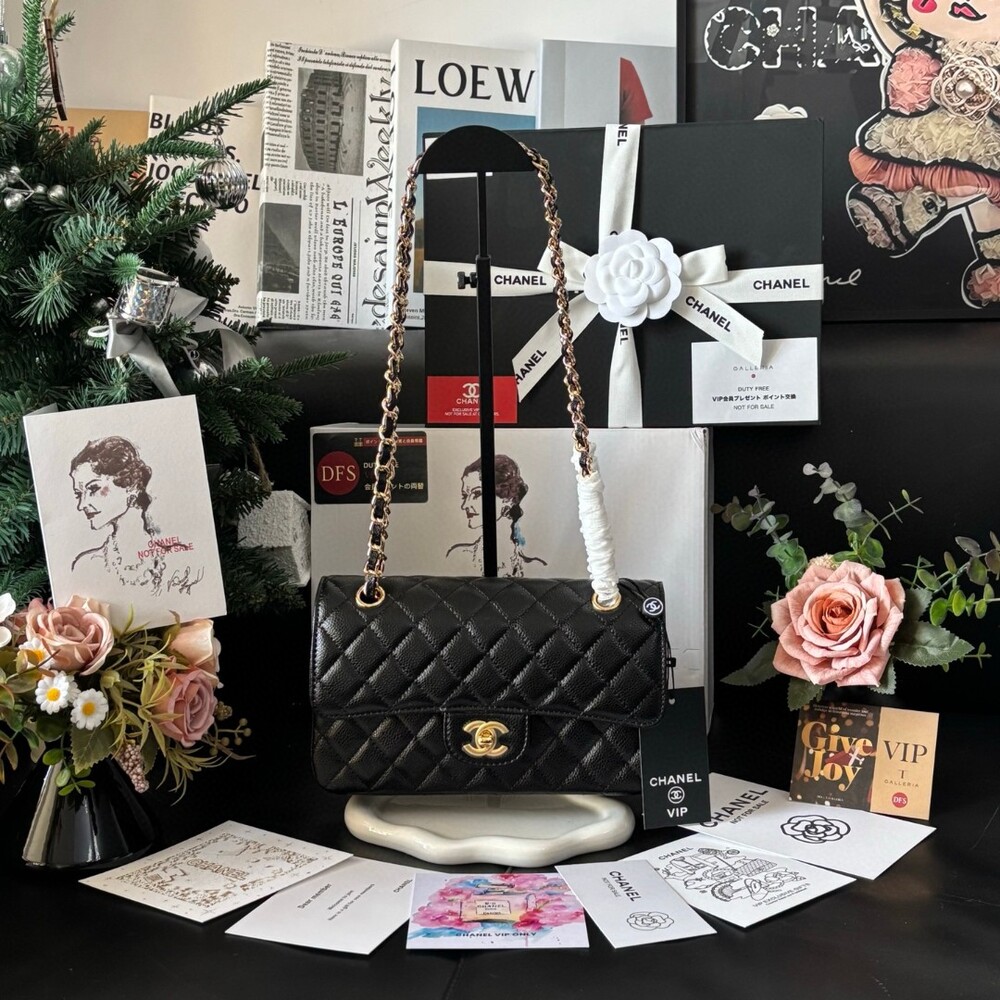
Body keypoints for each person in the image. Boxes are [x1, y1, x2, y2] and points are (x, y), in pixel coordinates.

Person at [848, 0, 1000, 307]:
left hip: (987, 145)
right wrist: (873, 9)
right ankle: (914, 211)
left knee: (980, 183)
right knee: (971, 183)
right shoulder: (927, 52)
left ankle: (918, 212)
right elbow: (886, 31)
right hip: (926, 140)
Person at [69, 436, 169, 594]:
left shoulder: (175, 555)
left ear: (130, 485)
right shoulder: (88, 565)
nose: (82, 505)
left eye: (93, 489)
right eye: (78, 494)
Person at [446, 454, 547, 577]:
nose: (465, 505)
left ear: (507, 499)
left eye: (477, 494)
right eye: (464, 496)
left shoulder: (536, 569)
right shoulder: (458, 556)